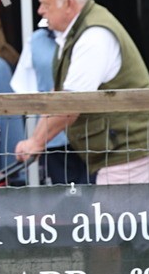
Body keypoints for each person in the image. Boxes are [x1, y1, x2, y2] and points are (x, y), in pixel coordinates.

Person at [14, 0, 149, 184]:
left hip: (133, 146)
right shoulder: (81, 30)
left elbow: (70, 104)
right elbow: (62, 95)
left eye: (46, 4)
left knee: (111, 205)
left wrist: (36, 142)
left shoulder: (93, 36)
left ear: (69, 4)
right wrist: (36, 140)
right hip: (140, 142)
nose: (40, 11)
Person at [11, 19, 91, 185]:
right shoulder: (35, 41)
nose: (41, 10)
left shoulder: (87, 36)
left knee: (95, 191)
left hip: (90, 134)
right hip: (53, 137)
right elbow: (24, 89)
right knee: (63, 193)